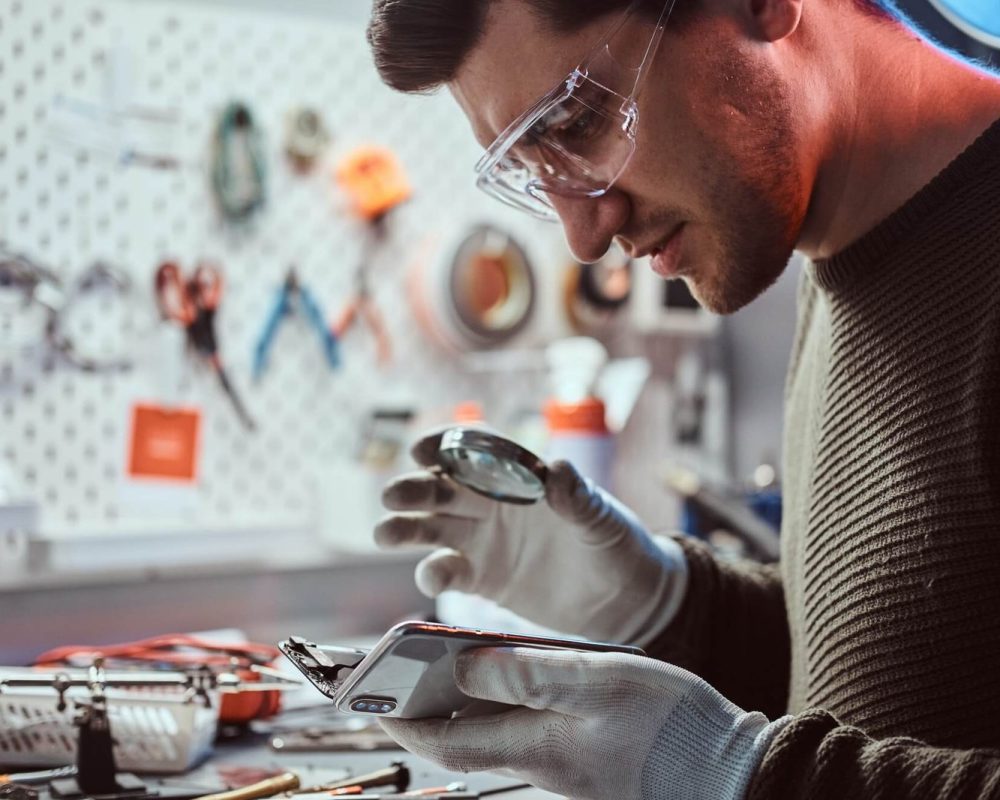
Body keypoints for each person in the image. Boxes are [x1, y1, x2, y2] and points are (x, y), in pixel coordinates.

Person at [367, 0, 1000, 796]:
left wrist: (733, 776)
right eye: (534, 170)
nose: (585, 235)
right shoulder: (842, 266)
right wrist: (661, 603)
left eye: (574, 124)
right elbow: (881, 685)